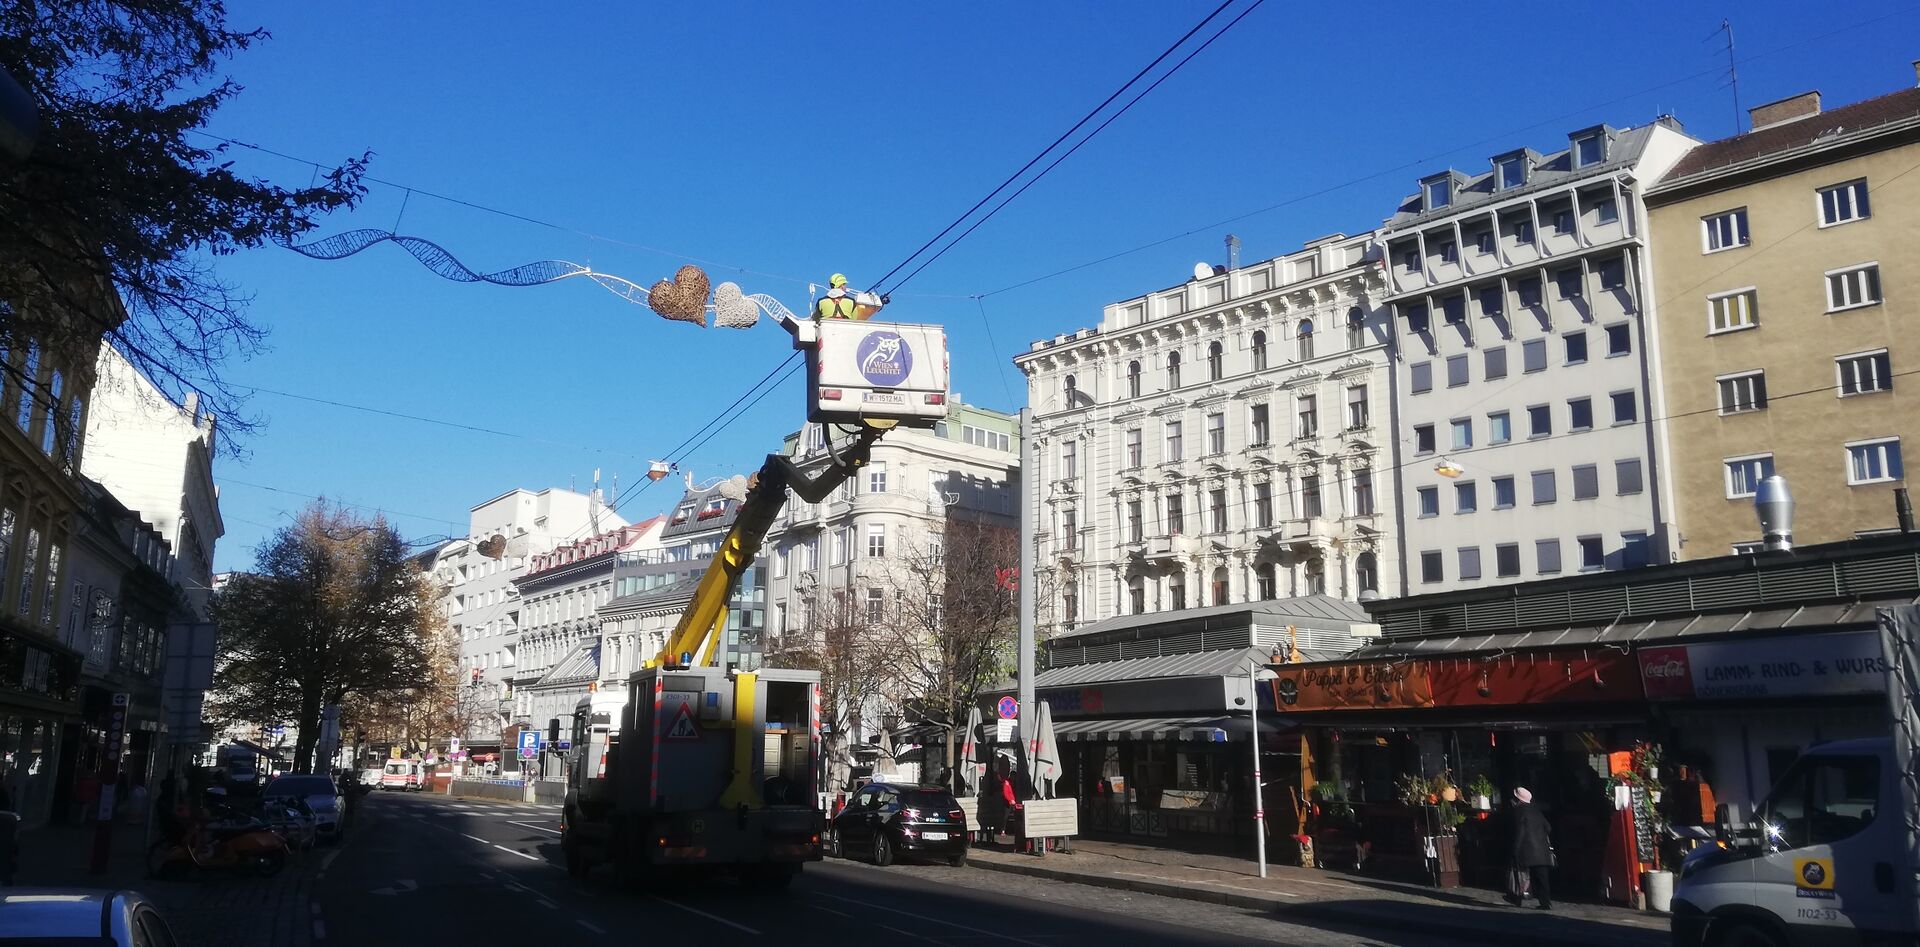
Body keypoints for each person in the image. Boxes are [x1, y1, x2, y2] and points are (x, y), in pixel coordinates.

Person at [1508, 786, 1554, 910]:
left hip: (1527, 849)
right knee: (1542, 877)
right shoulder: (1536, 810)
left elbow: (1520, 832)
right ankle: (1546, 902)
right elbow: (1548, 827)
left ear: (1517, 799)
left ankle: (1516, 896)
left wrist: (1515, 850)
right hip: (1542, 849)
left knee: (1520, 874)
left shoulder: (1519, 811)